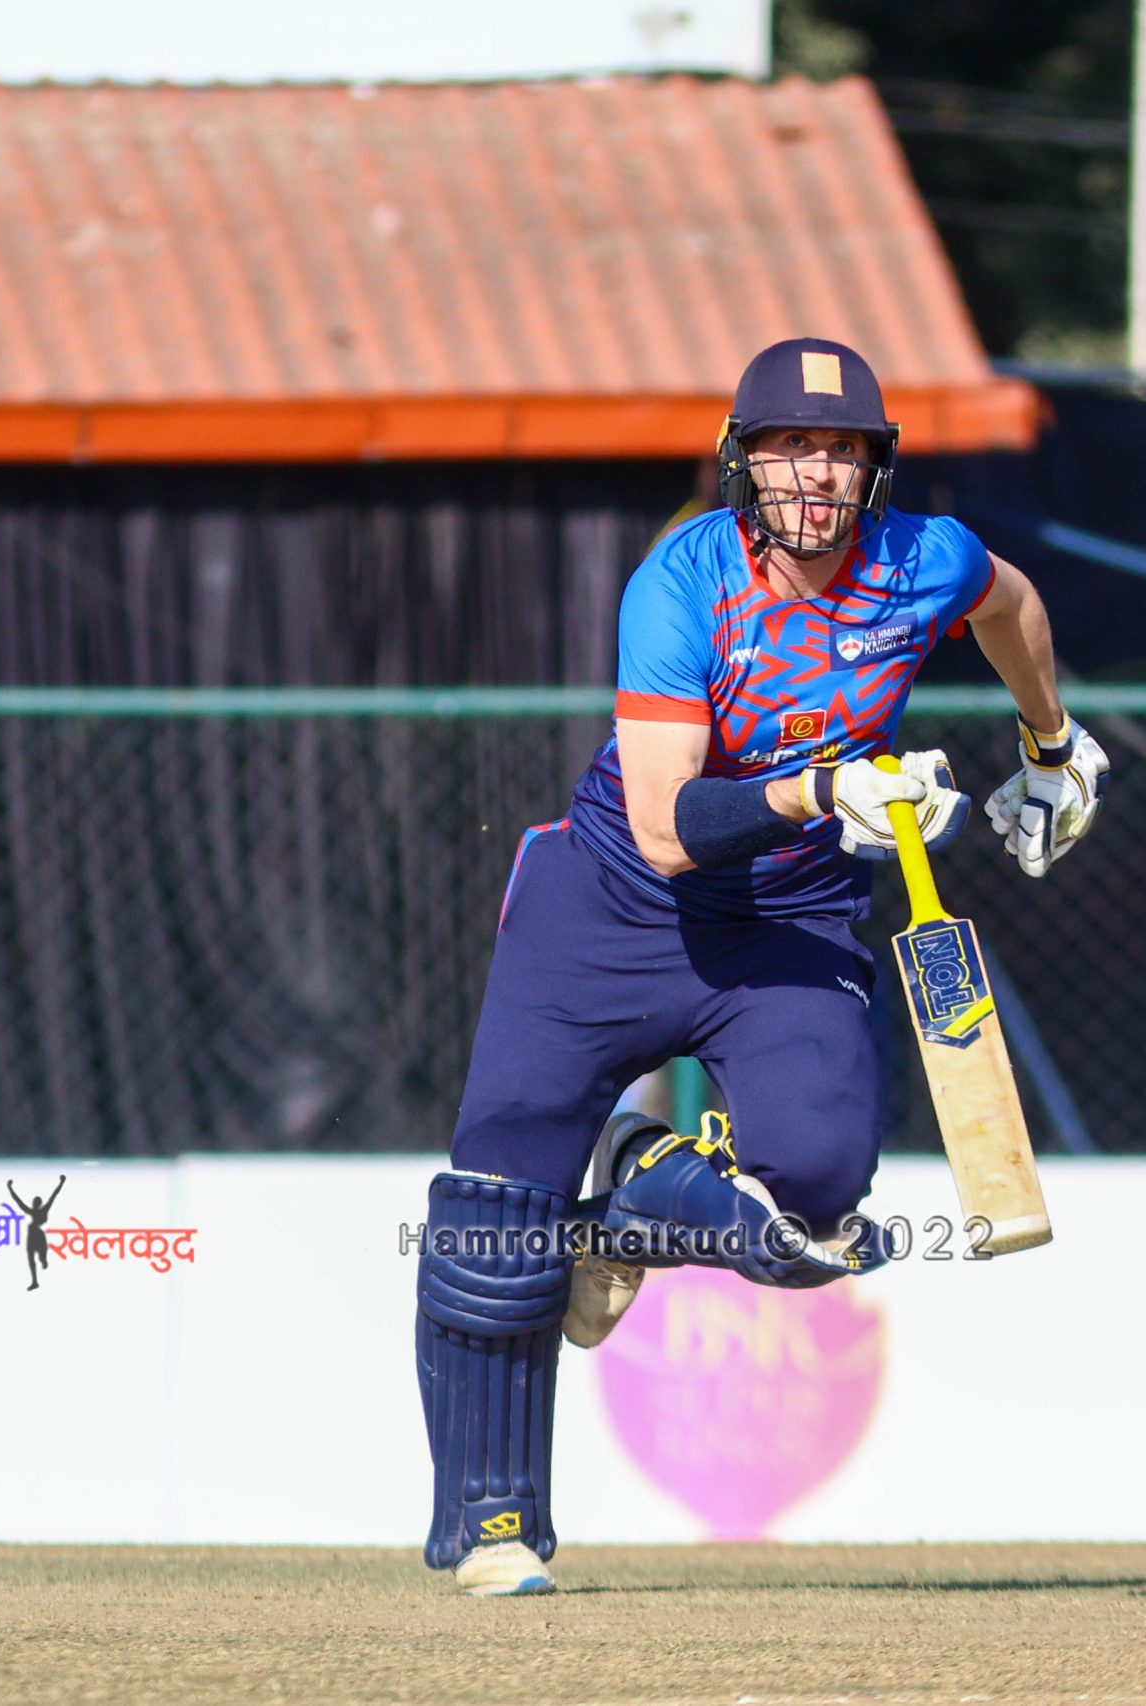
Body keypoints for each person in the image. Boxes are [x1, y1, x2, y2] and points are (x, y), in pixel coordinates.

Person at [415, 338, 1107, 1597]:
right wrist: (824, 786)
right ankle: (494, 1521)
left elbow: (1008, 603)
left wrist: (1049, 742)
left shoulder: (924, 557)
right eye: (791, 446)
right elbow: (667, 826)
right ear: (745, 460)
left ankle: (639, 1190)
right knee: (496, 1213)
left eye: (840, 450)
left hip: (786, 917)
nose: (815, 474)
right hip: (613, 905)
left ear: (871, 469)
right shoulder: (681, 583)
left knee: (817, 1214)